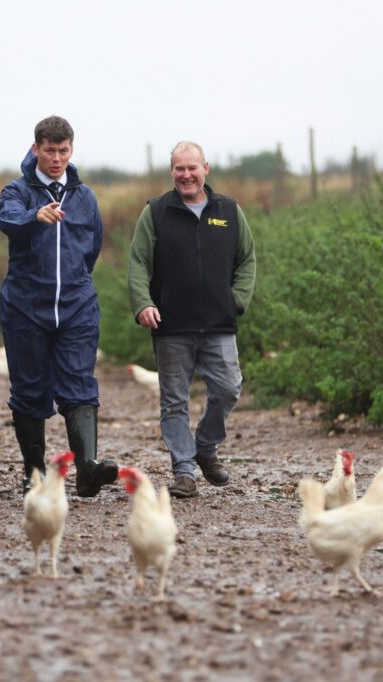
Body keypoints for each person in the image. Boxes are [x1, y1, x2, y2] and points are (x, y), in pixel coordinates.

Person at [127, 140, 256, 499]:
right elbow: (138, 263)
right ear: (172, 172)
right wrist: (142, 303)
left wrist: (237, 300)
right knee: (174, 401)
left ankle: (206, 445)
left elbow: (247, 259)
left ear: (205, 169)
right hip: (171, 326)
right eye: (179, 169)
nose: (186, 175)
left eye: (192, 168)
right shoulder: (155, 212)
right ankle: (184, 471)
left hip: (219, 323)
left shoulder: (229, 210)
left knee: (229, 388)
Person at [0, 116, 118, 497]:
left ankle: (87, 468)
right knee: (30, 390)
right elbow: (9, 221)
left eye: (63, 150)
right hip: (25, 307)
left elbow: (92, 247)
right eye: (49, 150)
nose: (56, 158)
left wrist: (77, 284)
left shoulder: (85, 196)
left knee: (80, 383)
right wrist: (36, 217)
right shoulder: (16, 191)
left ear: (71, 150)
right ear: (36, 149)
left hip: (76, 306)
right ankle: (34, 473)